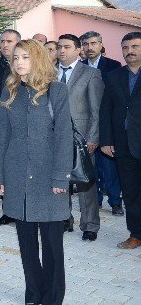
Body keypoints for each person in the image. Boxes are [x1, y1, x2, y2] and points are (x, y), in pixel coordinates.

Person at [0, 39, 72, 305]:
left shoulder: (57, 91)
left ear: (37, 59)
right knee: (26, 243)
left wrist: (61, 176)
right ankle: (33, 294)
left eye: (25, 57)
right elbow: (2, 136)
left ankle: (52, 298)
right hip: (16, 175)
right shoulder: (9, 91)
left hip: (49, 176)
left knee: (51, 246)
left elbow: (64, 137)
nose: (18, 62)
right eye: (15, 58)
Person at [56, 34, 104, 240]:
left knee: (85, 182)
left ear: (78, 50)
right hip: (55, 137)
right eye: (59, 47)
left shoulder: (91, 74)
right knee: (59, 180)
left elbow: (96, 110)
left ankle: (90, 225)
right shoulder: (49, 73)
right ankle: (64, 218)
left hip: (82, 138)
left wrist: (92, 137)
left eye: (67, 47)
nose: (62, 51)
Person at [99, 32, 141, 249]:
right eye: (125, 47)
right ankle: (135, 234)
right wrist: (105, 139)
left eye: (135, 46)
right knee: (131, 192)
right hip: (124, 146)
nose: (130, 51)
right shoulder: (114, 76)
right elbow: (105, 110)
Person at [80, 30, 124, 216]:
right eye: (85, 44)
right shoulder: (79, 67)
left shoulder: (114, 66)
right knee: (89, 168)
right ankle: (95, 201)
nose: (89, 47)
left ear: (100, 44)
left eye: (93, 43)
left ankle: (115, 202)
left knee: (109, 166)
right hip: (85, 125)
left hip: (107, 123)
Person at [0, 29, 21, 225]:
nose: (5, 44)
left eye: (9, 41)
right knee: (0, 166)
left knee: (17, 167)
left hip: (19, 125)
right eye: (2, 41)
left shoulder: (24, 66)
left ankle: (20, 209)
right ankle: (8, 211)